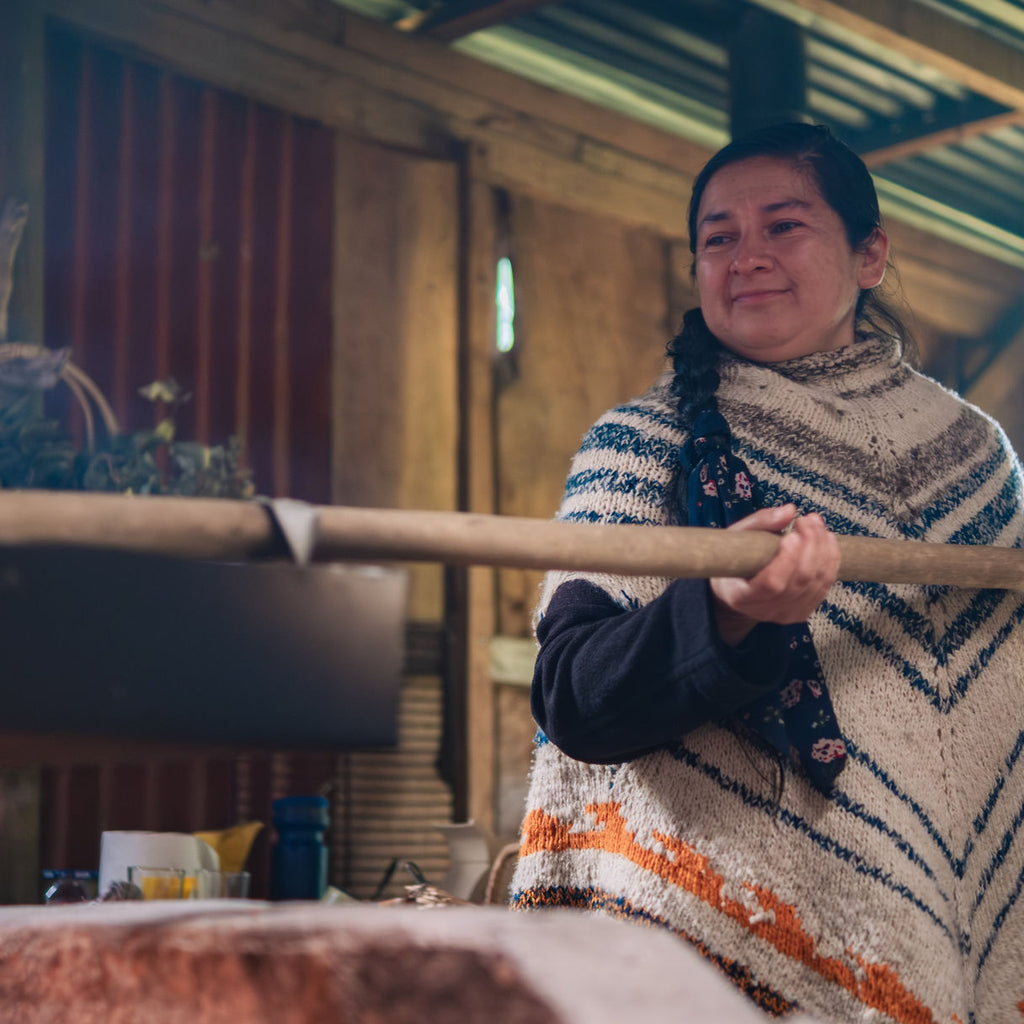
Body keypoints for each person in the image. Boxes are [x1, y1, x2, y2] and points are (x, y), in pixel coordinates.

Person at [509, 122, 1024, 1024]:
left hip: (959, 921)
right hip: (706, 961)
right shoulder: (645, 446)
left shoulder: (973, 461)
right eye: (719, 237)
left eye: (783, 226)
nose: (746, 257)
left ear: (871, 255)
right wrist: (725, 613)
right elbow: (576, 700)